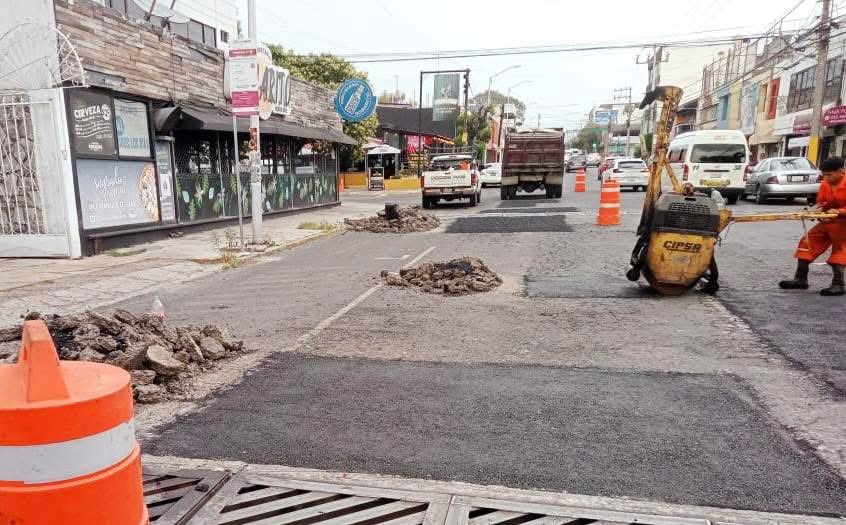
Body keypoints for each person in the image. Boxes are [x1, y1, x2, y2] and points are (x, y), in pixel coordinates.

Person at [779, 155, 846, 296]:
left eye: (829, 175)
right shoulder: (825, 184)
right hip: (828, 221)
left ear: (841, 171)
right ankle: (800, 279)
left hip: (843, 224)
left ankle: (838, 284)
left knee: (840, 252)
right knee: (807, 243)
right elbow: (822, 203)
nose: (826, 178)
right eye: (824, 175)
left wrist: (839, 211)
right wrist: (815, 211)